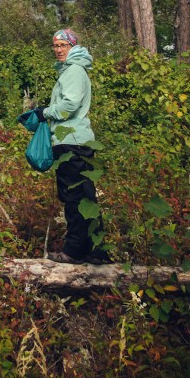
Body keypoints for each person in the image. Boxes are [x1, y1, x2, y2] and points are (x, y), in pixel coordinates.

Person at [32, 28, 110, 265]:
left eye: (63, 45)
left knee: (74, 197)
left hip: (71, 142)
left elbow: (69, 105)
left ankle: (74, 251)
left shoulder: (74, 71)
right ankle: (96, 252)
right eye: (55, 46)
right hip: (78, 141)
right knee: (86, 198)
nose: (58, 50)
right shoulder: (73, 70)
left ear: (73, 47)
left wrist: (44, 111)